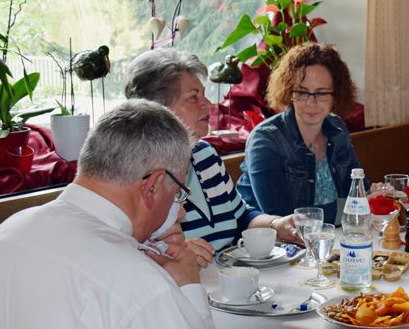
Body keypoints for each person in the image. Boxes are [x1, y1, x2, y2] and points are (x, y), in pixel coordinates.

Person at [0, 100, 234, 329]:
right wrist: (187, 287)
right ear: (154, 186)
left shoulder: (3, 237)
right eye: (178, 192)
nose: (180, 208)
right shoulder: (140, 284)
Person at [124, 48, 299, 251]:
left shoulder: (204, 154)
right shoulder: (134, 173)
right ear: (157, 109)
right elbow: (127, 248)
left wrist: (276, 225)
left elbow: (240, 215)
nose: (208, 104)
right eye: (193, 97)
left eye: (204, 94)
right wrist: (169, 252)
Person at [237, 42, 370, 224]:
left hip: (330, 239)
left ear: (336, 95)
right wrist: (348, 209)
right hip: (273, 248)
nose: (311, 102)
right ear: (288, 92)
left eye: (321, 93)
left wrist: (374, 195)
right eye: (302, 92)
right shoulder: (265, 140)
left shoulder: (337, 129)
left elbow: (357, 189)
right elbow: (283, 217)